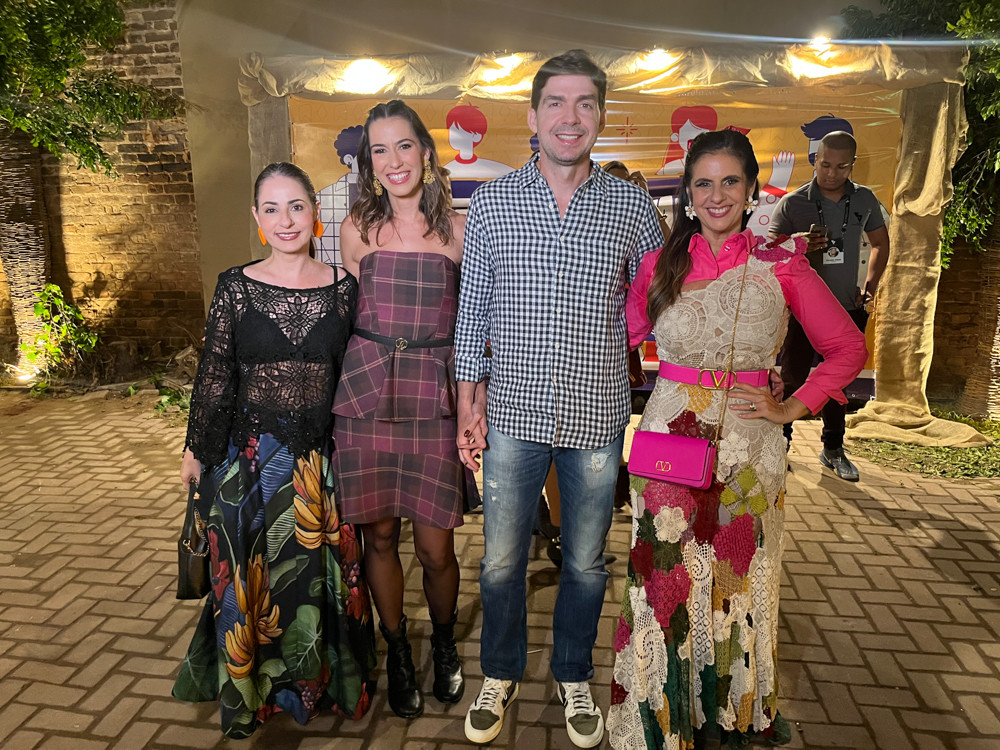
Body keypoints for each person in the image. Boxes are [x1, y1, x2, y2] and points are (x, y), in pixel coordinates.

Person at [607, 129, 867, 749]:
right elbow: (612, 338)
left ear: (751, 190)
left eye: (730, 181)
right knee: (664, 575)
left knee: (738, 577)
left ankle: (730, 712)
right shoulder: (659, 265)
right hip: (669, 441)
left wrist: (791, 406)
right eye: (703, 183)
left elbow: (847, 348)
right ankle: (662, 716)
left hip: (752, 446)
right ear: (687, 193)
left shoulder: (782, 264)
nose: (716, 195)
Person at [454, 50, 665, 748]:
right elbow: (473, 312)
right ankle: (500, 671)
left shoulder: (631, 206)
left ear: (600, 115)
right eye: (555, 103)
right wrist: (468, 403)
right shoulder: (493, 203)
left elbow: (661, 294)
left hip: (596, 416)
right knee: (499, 562)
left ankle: (574, 672)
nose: (569, 118)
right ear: (533, 115)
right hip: (512, 414)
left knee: (584, 562)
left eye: (584, 104)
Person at [173, 162, 376, 738]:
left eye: (295, 206)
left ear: (315, 212)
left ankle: (317, 686)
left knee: (312, 582)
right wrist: (195, 450)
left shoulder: (344, 289)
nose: (285, 220)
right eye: (271, 209)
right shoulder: (235, 287)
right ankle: (253, 694)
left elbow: (356, 376)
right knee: (251, 584)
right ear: (256, 218)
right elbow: (215, 376)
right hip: (248, 466)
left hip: (319, 468)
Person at [333, 99, 484, 720]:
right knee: (379, 536)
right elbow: (343, 316)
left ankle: (443, 642)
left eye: (404, 145)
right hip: (365, 396)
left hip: (433, 394)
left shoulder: (461, 228)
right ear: (368, 163)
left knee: (436, 547)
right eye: (379, 150)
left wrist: (476, 398)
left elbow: (476, 324)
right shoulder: (354, 230)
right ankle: (397, 650)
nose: (393, 160)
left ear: (425, 151)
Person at [769, 130, 890, 481]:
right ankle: (779, 445)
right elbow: (770, 251)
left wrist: (870, 288)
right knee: (792, 377)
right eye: (825, 165)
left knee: (838, 382)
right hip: (802, 311)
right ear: (815, 160)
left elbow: (881, 243)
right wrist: (797, 242)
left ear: (853, 164)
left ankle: (833, 448)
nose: (832, 173)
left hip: (847, 307)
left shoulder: (864, 199)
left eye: (841, 167)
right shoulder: (793, 203)